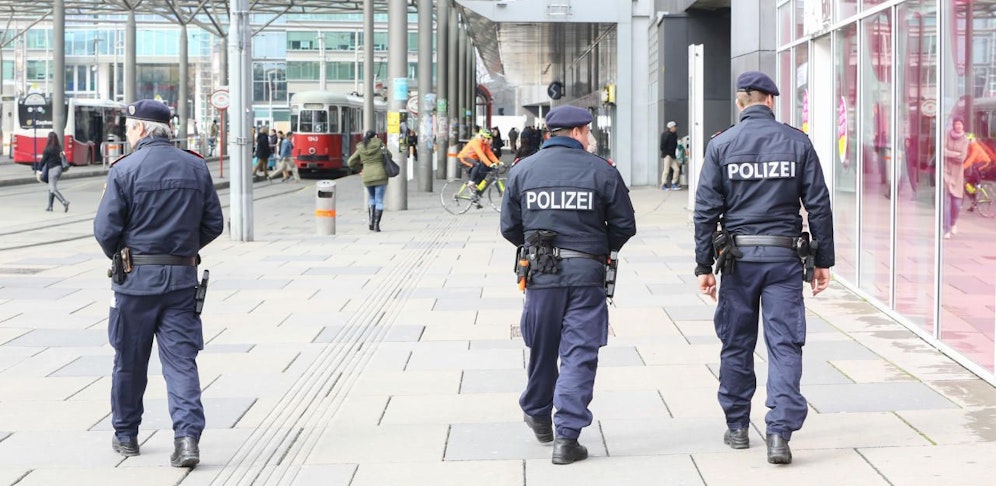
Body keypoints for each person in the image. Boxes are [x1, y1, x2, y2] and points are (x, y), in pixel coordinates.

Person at [693, 71, 834, 465]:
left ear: (741, 103)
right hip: (784, 261)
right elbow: (818, 205)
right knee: (784, 344)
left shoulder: (721, 145)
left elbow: (706, 211)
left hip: (737, 263)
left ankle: (737, 426)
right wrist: (823, 261)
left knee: (736, 342)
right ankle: (779, 434)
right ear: (770, 100)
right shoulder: (797, 142)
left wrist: (703, 265)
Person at [500, 105, 637, 465]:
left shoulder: (523, 170)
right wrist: (597, 248)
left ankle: (538, 413)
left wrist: (534, 247)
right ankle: (567, 437)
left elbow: (509, 227)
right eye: (588, 131)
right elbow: (625, 225)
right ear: (577, 132)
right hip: (587, 276)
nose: (591, 138)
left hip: (540, 275)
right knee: (580, 352)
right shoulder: (602, 171)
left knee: (542, 347)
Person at [93, 99, 224, 468]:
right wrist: (182, 250)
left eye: (130, 129)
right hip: (182, 280)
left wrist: (128, 257)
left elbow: (105, 231)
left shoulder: (124, 170)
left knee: (130, 362)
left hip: (134, 284)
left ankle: (127, 436)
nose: (128, 135)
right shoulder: (196, 167)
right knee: (181, 363)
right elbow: (214, 224)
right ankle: (186, 441)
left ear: (140, 130)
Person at [347, 130, 391, 232]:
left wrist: (359, 169)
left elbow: (350, 162)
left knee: (372, 198)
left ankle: (371, 222)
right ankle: (376, 225)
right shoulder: (381, 145)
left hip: (367, 176)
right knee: (379, 200)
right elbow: (390, 155)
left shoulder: (361, 147)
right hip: (381, 175)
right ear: (375, 136)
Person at [943, 117, 970, 239]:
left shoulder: (965, 139)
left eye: (960, 124)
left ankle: (953, 223)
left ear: (963, 126)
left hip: (958, 174)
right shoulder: (946, 135)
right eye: (956, 124)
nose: (958, 126)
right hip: (944, 171)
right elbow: (941, 151)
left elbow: (962, 158)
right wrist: (955, 154)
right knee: (945, 203)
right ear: (953, 125)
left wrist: (949, 153)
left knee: (956, 204)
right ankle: (946, 229)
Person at [457, 129, 502, 195]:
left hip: (473, 160)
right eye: (487, 138)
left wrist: (498, 162)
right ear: (482, 137)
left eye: (489, 138)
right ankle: (471, 182)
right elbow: (481, 154)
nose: (488, 140)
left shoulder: (485, 144)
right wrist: (490, 164)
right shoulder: (475, 142)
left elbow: (490, 154)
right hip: (463, 158)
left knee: (483, 172)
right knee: (477, 165)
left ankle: (476, 194)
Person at [36, 132, 70, 212]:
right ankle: (50, 206)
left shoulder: (48, 149)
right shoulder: (59, 148)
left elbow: (43, 161)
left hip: (52, 170)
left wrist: (39, 170)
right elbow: (63, 156)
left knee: (53, 189)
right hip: (59, 169)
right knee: (51, 187)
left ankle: (64, 202)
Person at [660, 121, 681, 190]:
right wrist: (665, 153)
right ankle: (663, 184)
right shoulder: (666, 135)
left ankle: (673, 183)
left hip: (672, 155)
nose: (676, 128)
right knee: (666, 170)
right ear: (671, 127)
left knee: (677, 169)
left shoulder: (674, 135)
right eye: (674, 127)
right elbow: (662, 146)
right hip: (667, 155)